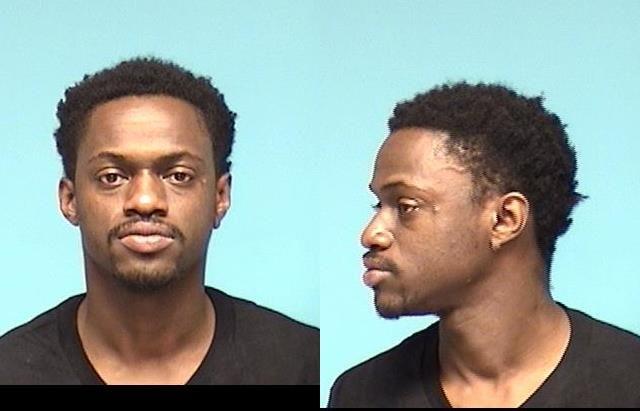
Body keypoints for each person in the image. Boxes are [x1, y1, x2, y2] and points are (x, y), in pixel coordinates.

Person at [0, 57, 318, 385]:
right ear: (70, 199)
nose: (145, 200)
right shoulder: (10, 371)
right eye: (112, 177)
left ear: (220, 197)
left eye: (178, 175)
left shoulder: (303, 366)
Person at [328, 82, 640, 407]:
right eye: (378, 205)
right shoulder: (361, 394)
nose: (372, 234)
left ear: (505, 219)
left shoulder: (630, 385)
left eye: (407, 206)